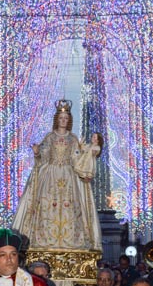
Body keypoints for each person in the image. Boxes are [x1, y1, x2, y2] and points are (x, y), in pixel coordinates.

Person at [12, 99, 102, 250]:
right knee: (47, 205)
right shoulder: (50, 137)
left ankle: (71, 239)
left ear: (69, 120)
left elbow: (76, 157)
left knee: (70, 207)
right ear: (56, 120)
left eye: (66, 118)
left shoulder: (73, 138)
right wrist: (37, 152)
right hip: (51, 174)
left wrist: (86, 164)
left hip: (68, 174)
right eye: (61, 118)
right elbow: (44, 154)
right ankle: (45, 238)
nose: (63, 121)